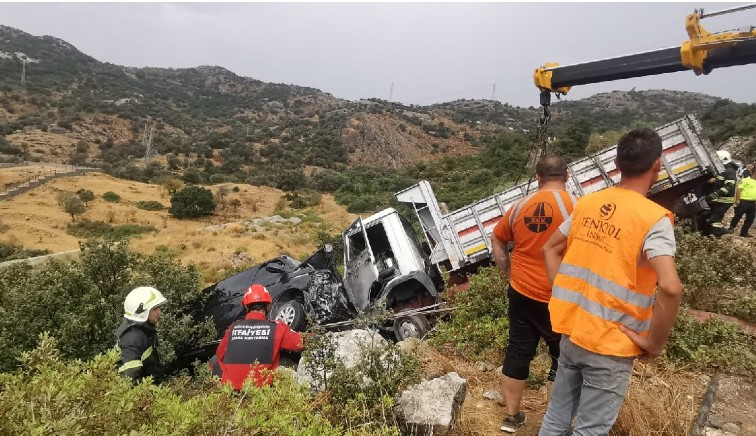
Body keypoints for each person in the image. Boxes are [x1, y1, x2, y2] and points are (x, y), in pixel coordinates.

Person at [539, 129, 683, 436]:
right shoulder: (654, 219)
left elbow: (550, 248)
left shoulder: (588, 204)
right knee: (590, 430)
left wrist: (563, 294)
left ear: (616, 163)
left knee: (555, 418)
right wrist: (654, 343)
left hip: (573, 333)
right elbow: (670, 287)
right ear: (657, 164)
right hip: (611, 344)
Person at [491, 155, 575, 433]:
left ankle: (511, 418)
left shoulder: (518, 207)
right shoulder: (575, 206)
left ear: (538, 178)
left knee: (518, 350)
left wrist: (509, 273)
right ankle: (554, 421)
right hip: (557, 296)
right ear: (567, 176)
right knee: (561, 357)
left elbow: (497, 238)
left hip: (521, 292)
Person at [212, 284, 304, 390]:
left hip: (231, 391)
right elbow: (299, 343)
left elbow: (220, 354)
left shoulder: (233, 327)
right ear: (268, 306)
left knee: (214, 361)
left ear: (246, 307)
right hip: (259, 392)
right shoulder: (277, 327)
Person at [115, 286, 167, 383]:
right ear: (142, 312)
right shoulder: (132, 339)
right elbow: (130, 380)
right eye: (155, 308)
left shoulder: (143, 330)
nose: (160, 312)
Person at [729, 162, 756, 237]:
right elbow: (739, 189)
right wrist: (737, 200)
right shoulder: (746, 180)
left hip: (752, 203)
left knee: (750, 219)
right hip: (744, 201)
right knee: (738, 215)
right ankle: (731, 228)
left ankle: (744, 233)